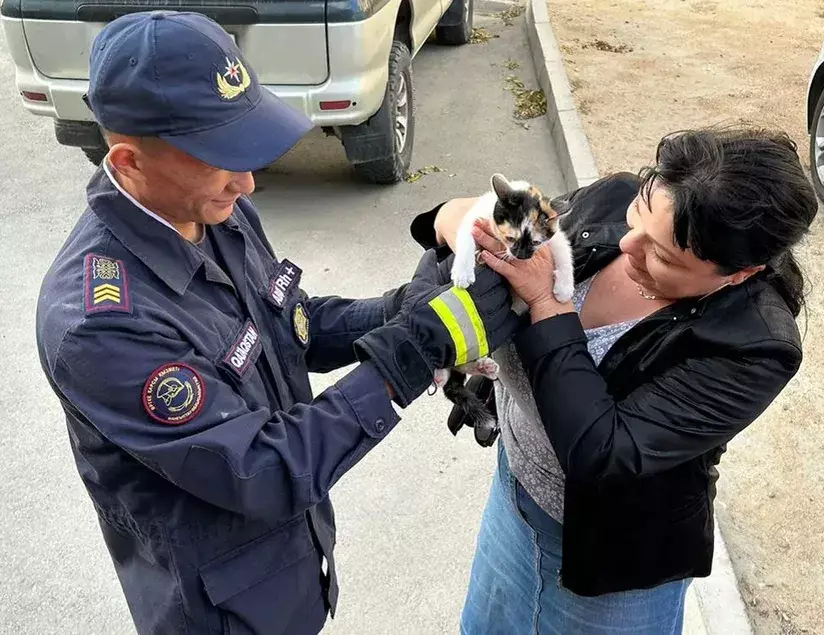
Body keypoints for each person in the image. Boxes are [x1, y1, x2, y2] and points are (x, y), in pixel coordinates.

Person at [34, 11, 520, 635]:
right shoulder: (101, 325)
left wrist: (403, 308)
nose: (249, 182)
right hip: (223, 612)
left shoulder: (210, 209)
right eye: (221, 160)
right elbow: (263, 469)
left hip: (291, 561)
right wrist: (411, 352)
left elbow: (291, 324)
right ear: (128, 163)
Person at [411, 127, 819, 634]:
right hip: (514, 498)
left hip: (615, 564)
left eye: (664, 257)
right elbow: (465, 232)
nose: (628, 246)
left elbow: (601, 452)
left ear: (739, 273)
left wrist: (547, 304)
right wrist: (460, 220)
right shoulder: (610, 198)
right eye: (636, 221)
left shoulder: (755, 345)